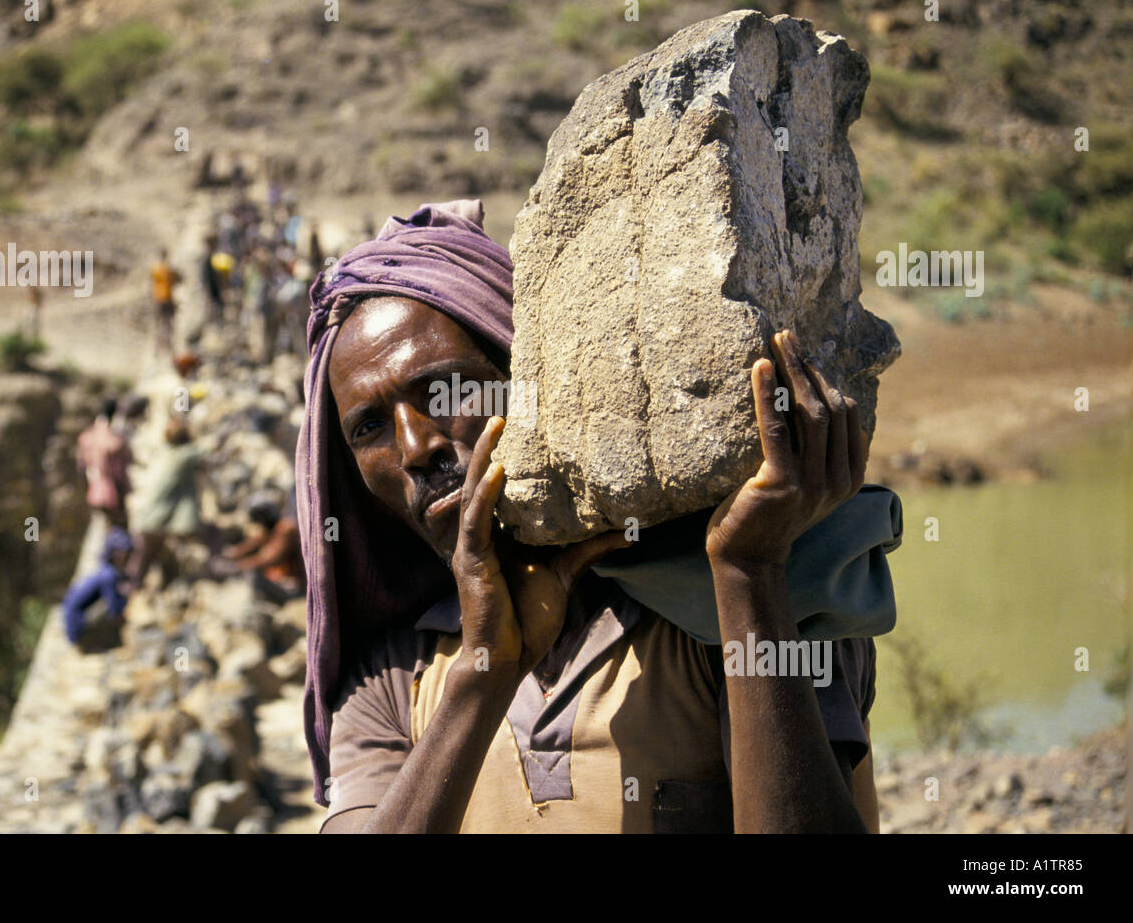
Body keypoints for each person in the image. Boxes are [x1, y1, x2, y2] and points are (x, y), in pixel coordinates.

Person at [298, 200, 893, 834]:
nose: (417, 448)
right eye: (369, 428)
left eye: (443, 390)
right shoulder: (393, 679)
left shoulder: (747, 604)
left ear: (525, 380)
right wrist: (483, 675)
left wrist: (751, 574)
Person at [128, 417, 204, 588]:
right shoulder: (185, 455)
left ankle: (137, 585)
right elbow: (207, 452)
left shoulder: (163, 452)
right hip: (158, 518)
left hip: (144, 513)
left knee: (146, 554)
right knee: (149, 553)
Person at [210, 489, 304, 603]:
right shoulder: (271, 529)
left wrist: (236, 566)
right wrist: (227, 555)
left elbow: (268, 559)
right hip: (281, 582)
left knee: (253, 573)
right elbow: (251, 544)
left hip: (293, 587)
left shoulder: (286, 529)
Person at [61, 527, 133, 645]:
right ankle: (98, 641)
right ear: (114, 553)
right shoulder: (108, 575)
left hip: (72, 626)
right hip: (78, 630)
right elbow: (114, 609)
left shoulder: (102, 570)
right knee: (118, 603)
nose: (126, 555)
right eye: (122, 552)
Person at [76, 397, 133, 528]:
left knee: (99, 527)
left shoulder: (86, 437)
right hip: (112, 492)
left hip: (94, 488)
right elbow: (121, 472)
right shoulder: (115, 440)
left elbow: (82, 467)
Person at [151, 248, 182, 356]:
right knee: (168, 324)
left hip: (158, 298)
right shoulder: (169, 270)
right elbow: (179, 279)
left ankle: (158, 349)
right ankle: (168, 348)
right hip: (167, 299)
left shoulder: (155, 269)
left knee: (159, 324)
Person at [199, 233, 224, 323]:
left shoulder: (213, 256)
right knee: (212, 307)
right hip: (211, 286)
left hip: (213, 287)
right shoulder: (208, 257)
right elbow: (206, 275)